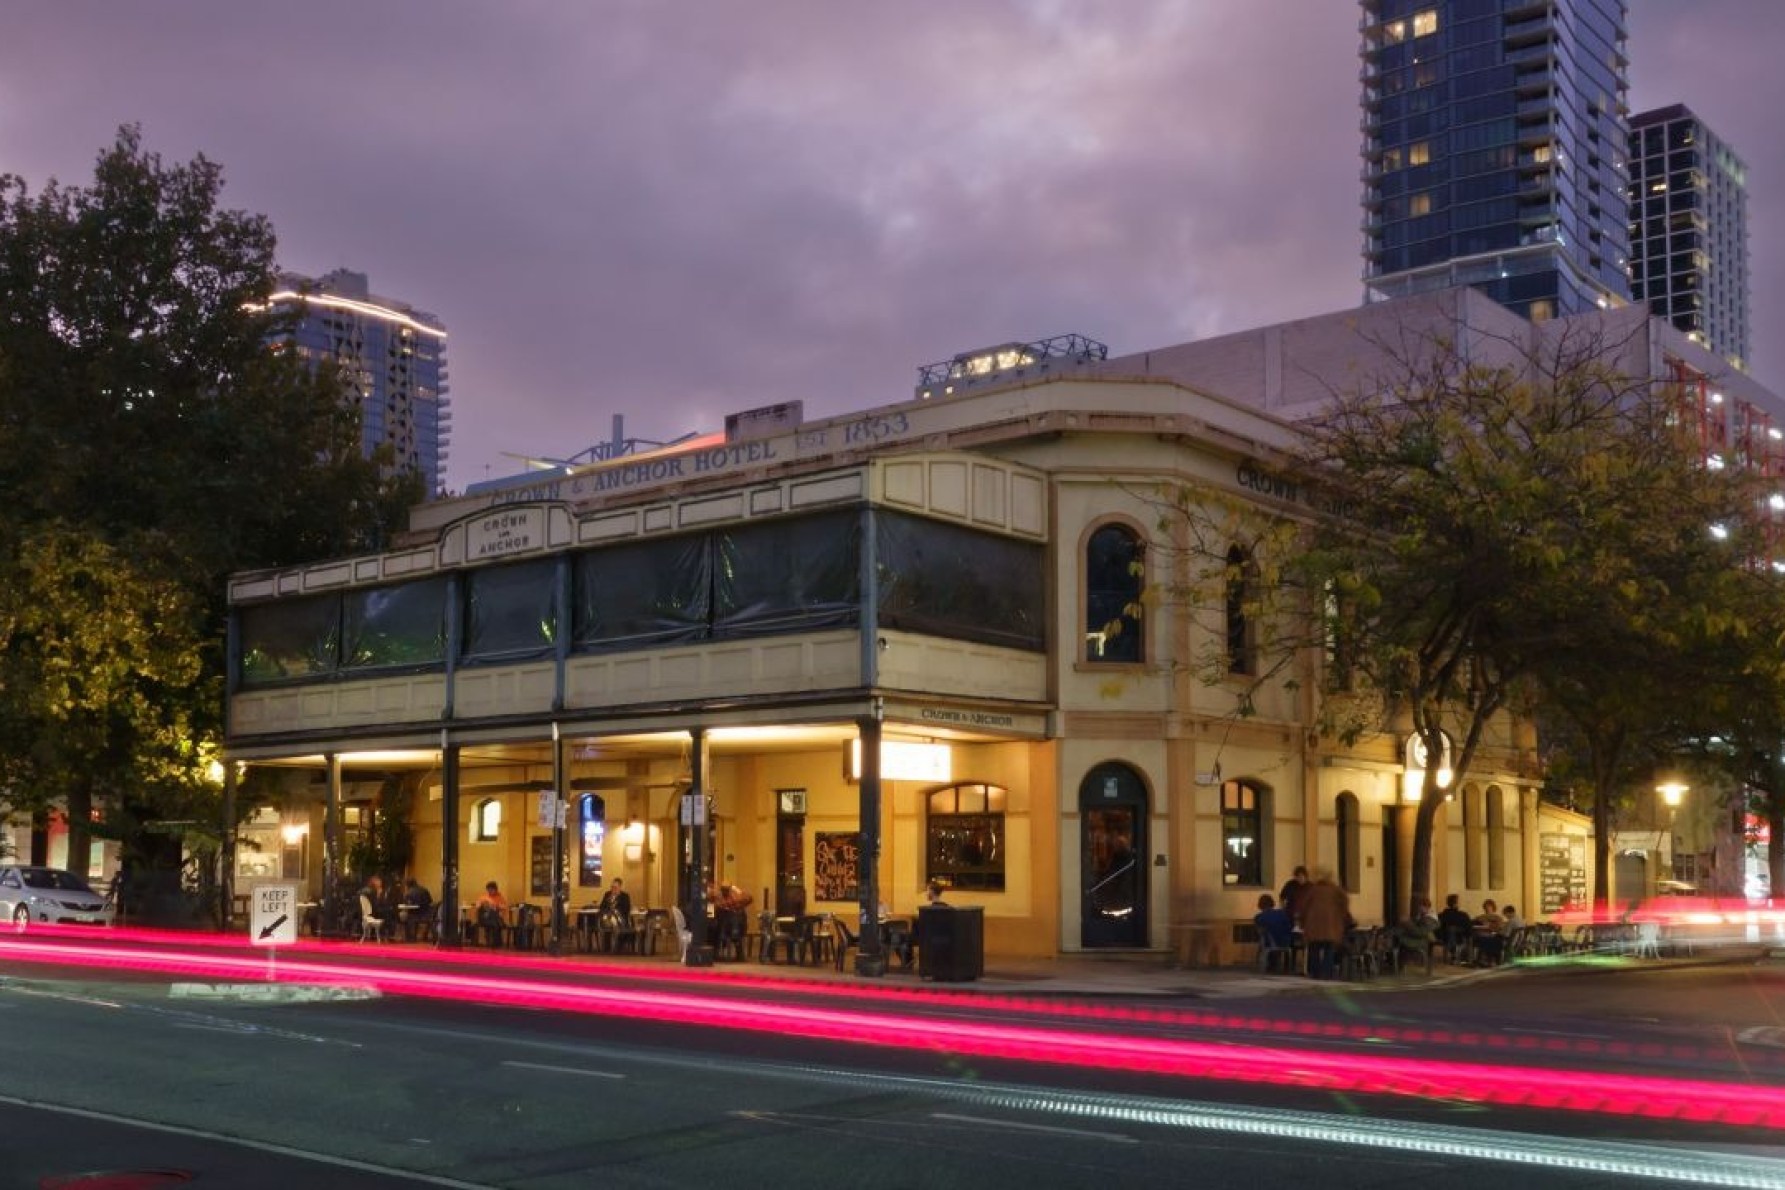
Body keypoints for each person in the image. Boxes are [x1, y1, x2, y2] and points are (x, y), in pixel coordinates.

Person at [1297, 868, 1349, 980]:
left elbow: (1303, 907)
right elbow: (1344, 905)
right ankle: (1327, 973)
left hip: (1313, 927)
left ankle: (1316, 973)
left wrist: (1302, 921)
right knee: (1329, 949)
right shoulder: (1336, 891)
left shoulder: (1312, 890)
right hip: (1331, 927)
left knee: (1314, 949)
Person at [1437, 893, 1473, 963]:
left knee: (1454, 931)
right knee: (1468, 934)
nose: (1460, 903)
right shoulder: (1462, 915)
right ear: (1455, 904)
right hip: (1455, 936)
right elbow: (1468, 926)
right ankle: (1467, 957)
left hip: (1447, 937)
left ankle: (1457, 954)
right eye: (1459, 902)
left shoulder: (1443, 914)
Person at [1472, 898, 1506, 966]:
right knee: (1481, 939)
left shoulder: (1497, 917)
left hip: (1493, 935)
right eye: (1486, 907)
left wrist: (1491, 927)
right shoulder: (1480, 917)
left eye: (1489, 907)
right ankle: (1483, 960)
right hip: (1482, 935)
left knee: (1495, 940)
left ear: (1493, 907)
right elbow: (1474, 924)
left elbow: (1500, 927)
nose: (1487, 908)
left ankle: (1489, 959)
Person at [475, 880, 508, 947]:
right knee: (494, 919)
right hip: (485, 919)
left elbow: (504, 907)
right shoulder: (484, 897)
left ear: (495, 889)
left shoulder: (500, 897)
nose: (490, 891)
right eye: (488, 890)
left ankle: (494, 942)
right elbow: (477, 905)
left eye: (491, 890)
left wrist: (496, 905)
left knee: (494, 918)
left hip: (494, 919)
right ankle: (496, 943)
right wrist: (483, 904)